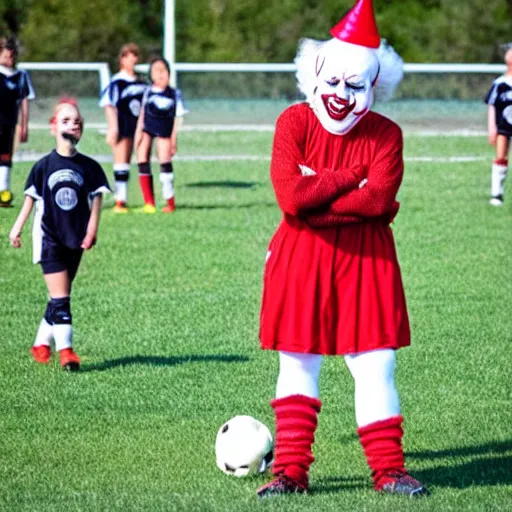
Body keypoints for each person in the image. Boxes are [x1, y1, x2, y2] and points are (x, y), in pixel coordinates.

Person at [256, 0, 429, 500]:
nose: (340, 94)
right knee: (298, 363)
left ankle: (389, 470)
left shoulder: (386, 134)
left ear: (374, 88)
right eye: (332, 81)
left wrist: (321, 193)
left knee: (376, 365)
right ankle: (291, 471)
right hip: (301, 258)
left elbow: (378, 201)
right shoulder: (292, 123)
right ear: (313, 74)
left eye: (355, 86)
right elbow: (291, 198)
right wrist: (352, 178)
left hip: (367, 261)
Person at [9, 98, 110, 371]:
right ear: (53, 126)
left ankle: (41, 343)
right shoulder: (43, 166)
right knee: (62, 299)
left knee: (58, 296)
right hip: (49, 238)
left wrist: (91, 231)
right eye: (65, 120)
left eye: (77, 122)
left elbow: (96, 201)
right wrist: (16, 228)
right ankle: (67, 352)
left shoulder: (90, 167)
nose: (72, 125)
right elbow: (30, 199)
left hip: (75, 239)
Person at [134, 57, 187, 213]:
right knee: (142, 158)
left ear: (169, 73)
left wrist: (173, 139)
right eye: (156, 71)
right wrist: (138, 133)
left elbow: (178, 117)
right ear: (151, 74)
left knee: (165, 162)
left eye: (163, 70)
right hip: (147, 129)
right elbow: (143, 113)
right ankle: (148, 203)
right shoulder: (148, 91)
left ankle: (170, 202)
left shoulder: (174, 94)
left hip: (165, 131)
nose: (160, 74)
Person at [100, 42, 147, 212]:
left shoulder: (142, 81)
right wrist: (113, 127)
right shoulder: (117, 81)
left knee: (138, 160)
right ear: (122, 59)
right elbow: (108, 104)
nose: (133, 59)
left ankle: (144, 200)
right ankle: (121, 200)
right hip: (123, 123)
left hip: (140, 125)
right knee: (121, 160)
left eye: (135, 55)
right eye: (129, 56)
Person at [0, 36, 35, 207]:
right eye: (5, 56)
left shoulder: (21, 76)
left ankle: (3, 191)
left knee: (6, 156)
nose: (9, 60)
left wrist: (24, 125)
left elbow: (24, 101)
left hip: (9, 123)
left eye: (11, 56)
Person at [485, 42, 512, 206]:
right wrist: (492, 128)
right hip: (503, 127)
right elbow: (492, 106)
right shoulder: (500, 83)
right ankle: (497, 194)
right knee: (500, 158)